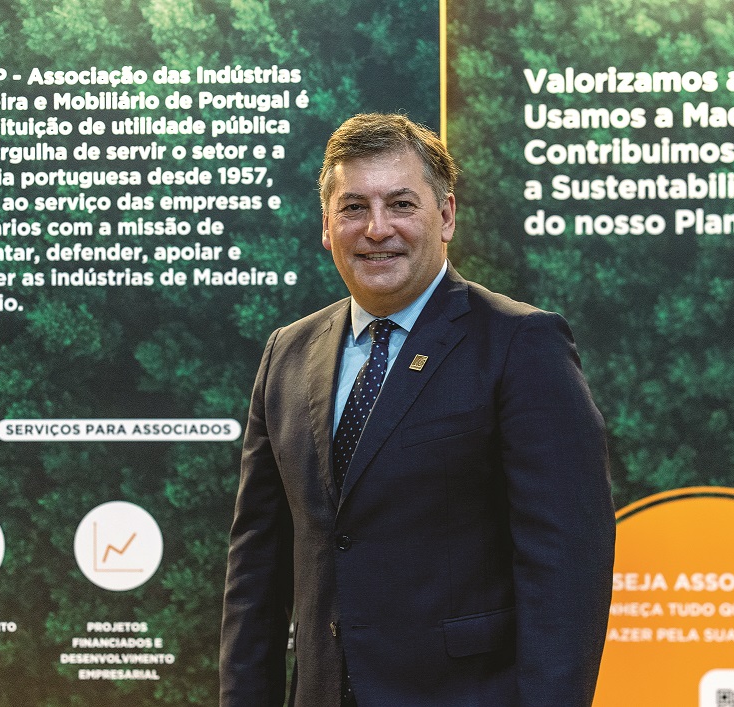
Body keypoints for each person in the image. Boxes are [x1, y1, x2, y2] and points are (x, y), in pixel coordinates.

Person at [219, 113, 615, 707]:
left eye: (401, 204)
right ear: (327, 226)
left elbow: (567, 568)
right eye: (353, 207)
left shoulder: (521, 345)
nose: (377, 228)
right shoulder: (287, 353)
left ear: (446, 216)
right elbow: (257, 564)